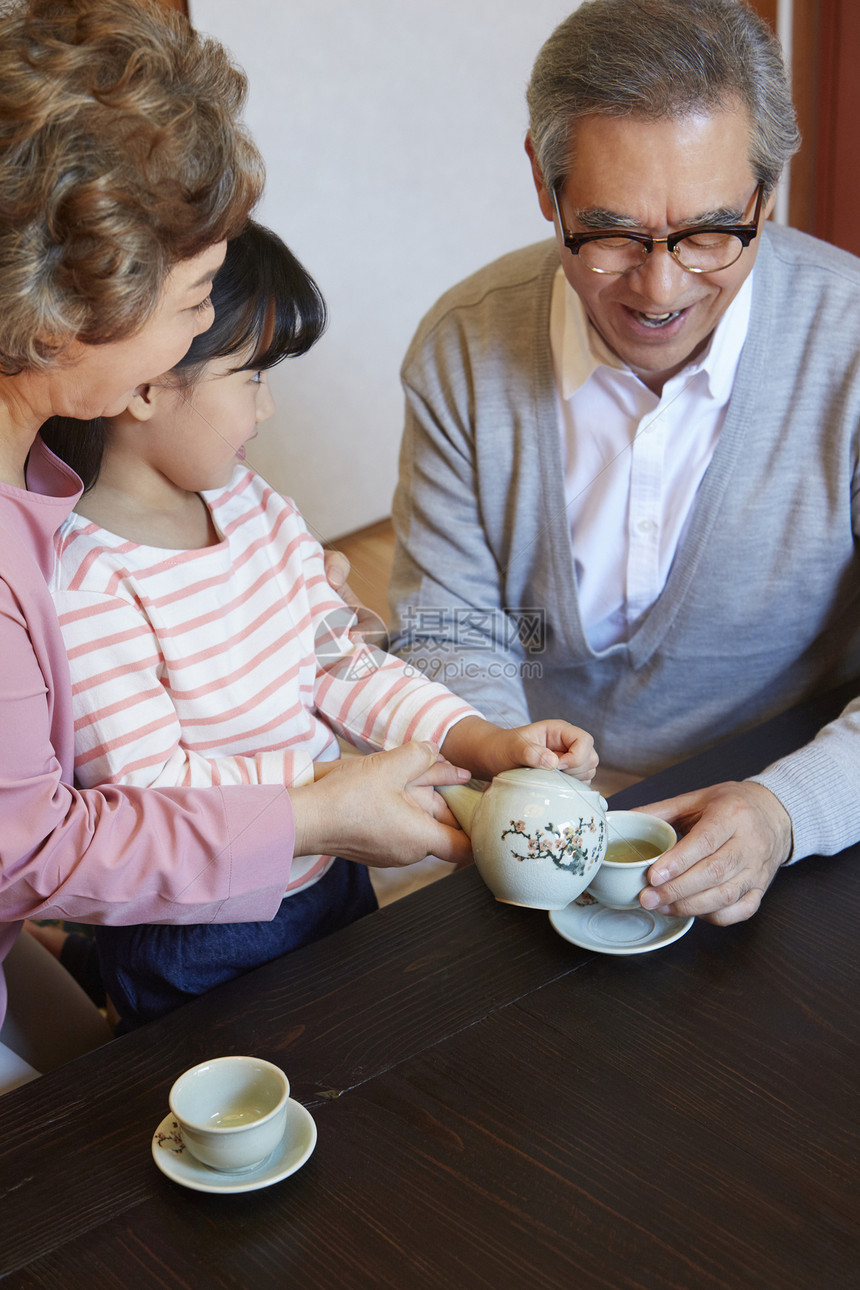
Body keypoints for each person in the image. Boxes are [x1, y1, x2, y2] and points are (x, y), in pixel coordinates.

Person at [0, 0, 474, 1088]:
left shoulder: (122, 490)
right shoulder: (65, 559)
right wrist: (317, 799)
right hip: (179, 925)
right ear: (75, 305)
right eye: (197, 302)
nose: (209, 348)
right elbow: (44, 837)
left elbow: (330, 657)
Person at [44, 220, 598, 1027]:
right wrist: (334, 792)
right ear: (145, 386)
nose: (267, 409)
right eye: (252, 375)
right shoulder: (85, 580)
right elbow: (153, 795)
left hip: (333, 870)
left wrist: (482, 743)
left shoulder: (253, 503)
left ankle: (80, 958)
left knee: (354, 1037)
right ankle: (90, 965)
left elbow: (345, 665)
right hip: (196, 930)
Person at [388, 0, 860, 927]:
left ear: (769, 190)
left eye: (712, 232)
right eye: (611, 233)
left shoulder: (848, 350)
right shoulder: (464, 348)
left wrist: (784, 811)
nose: (660, 288)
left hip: (796, 800)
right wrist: (512, 763)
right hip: (536, 818)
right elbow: (448, 625)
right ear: (544, 180)